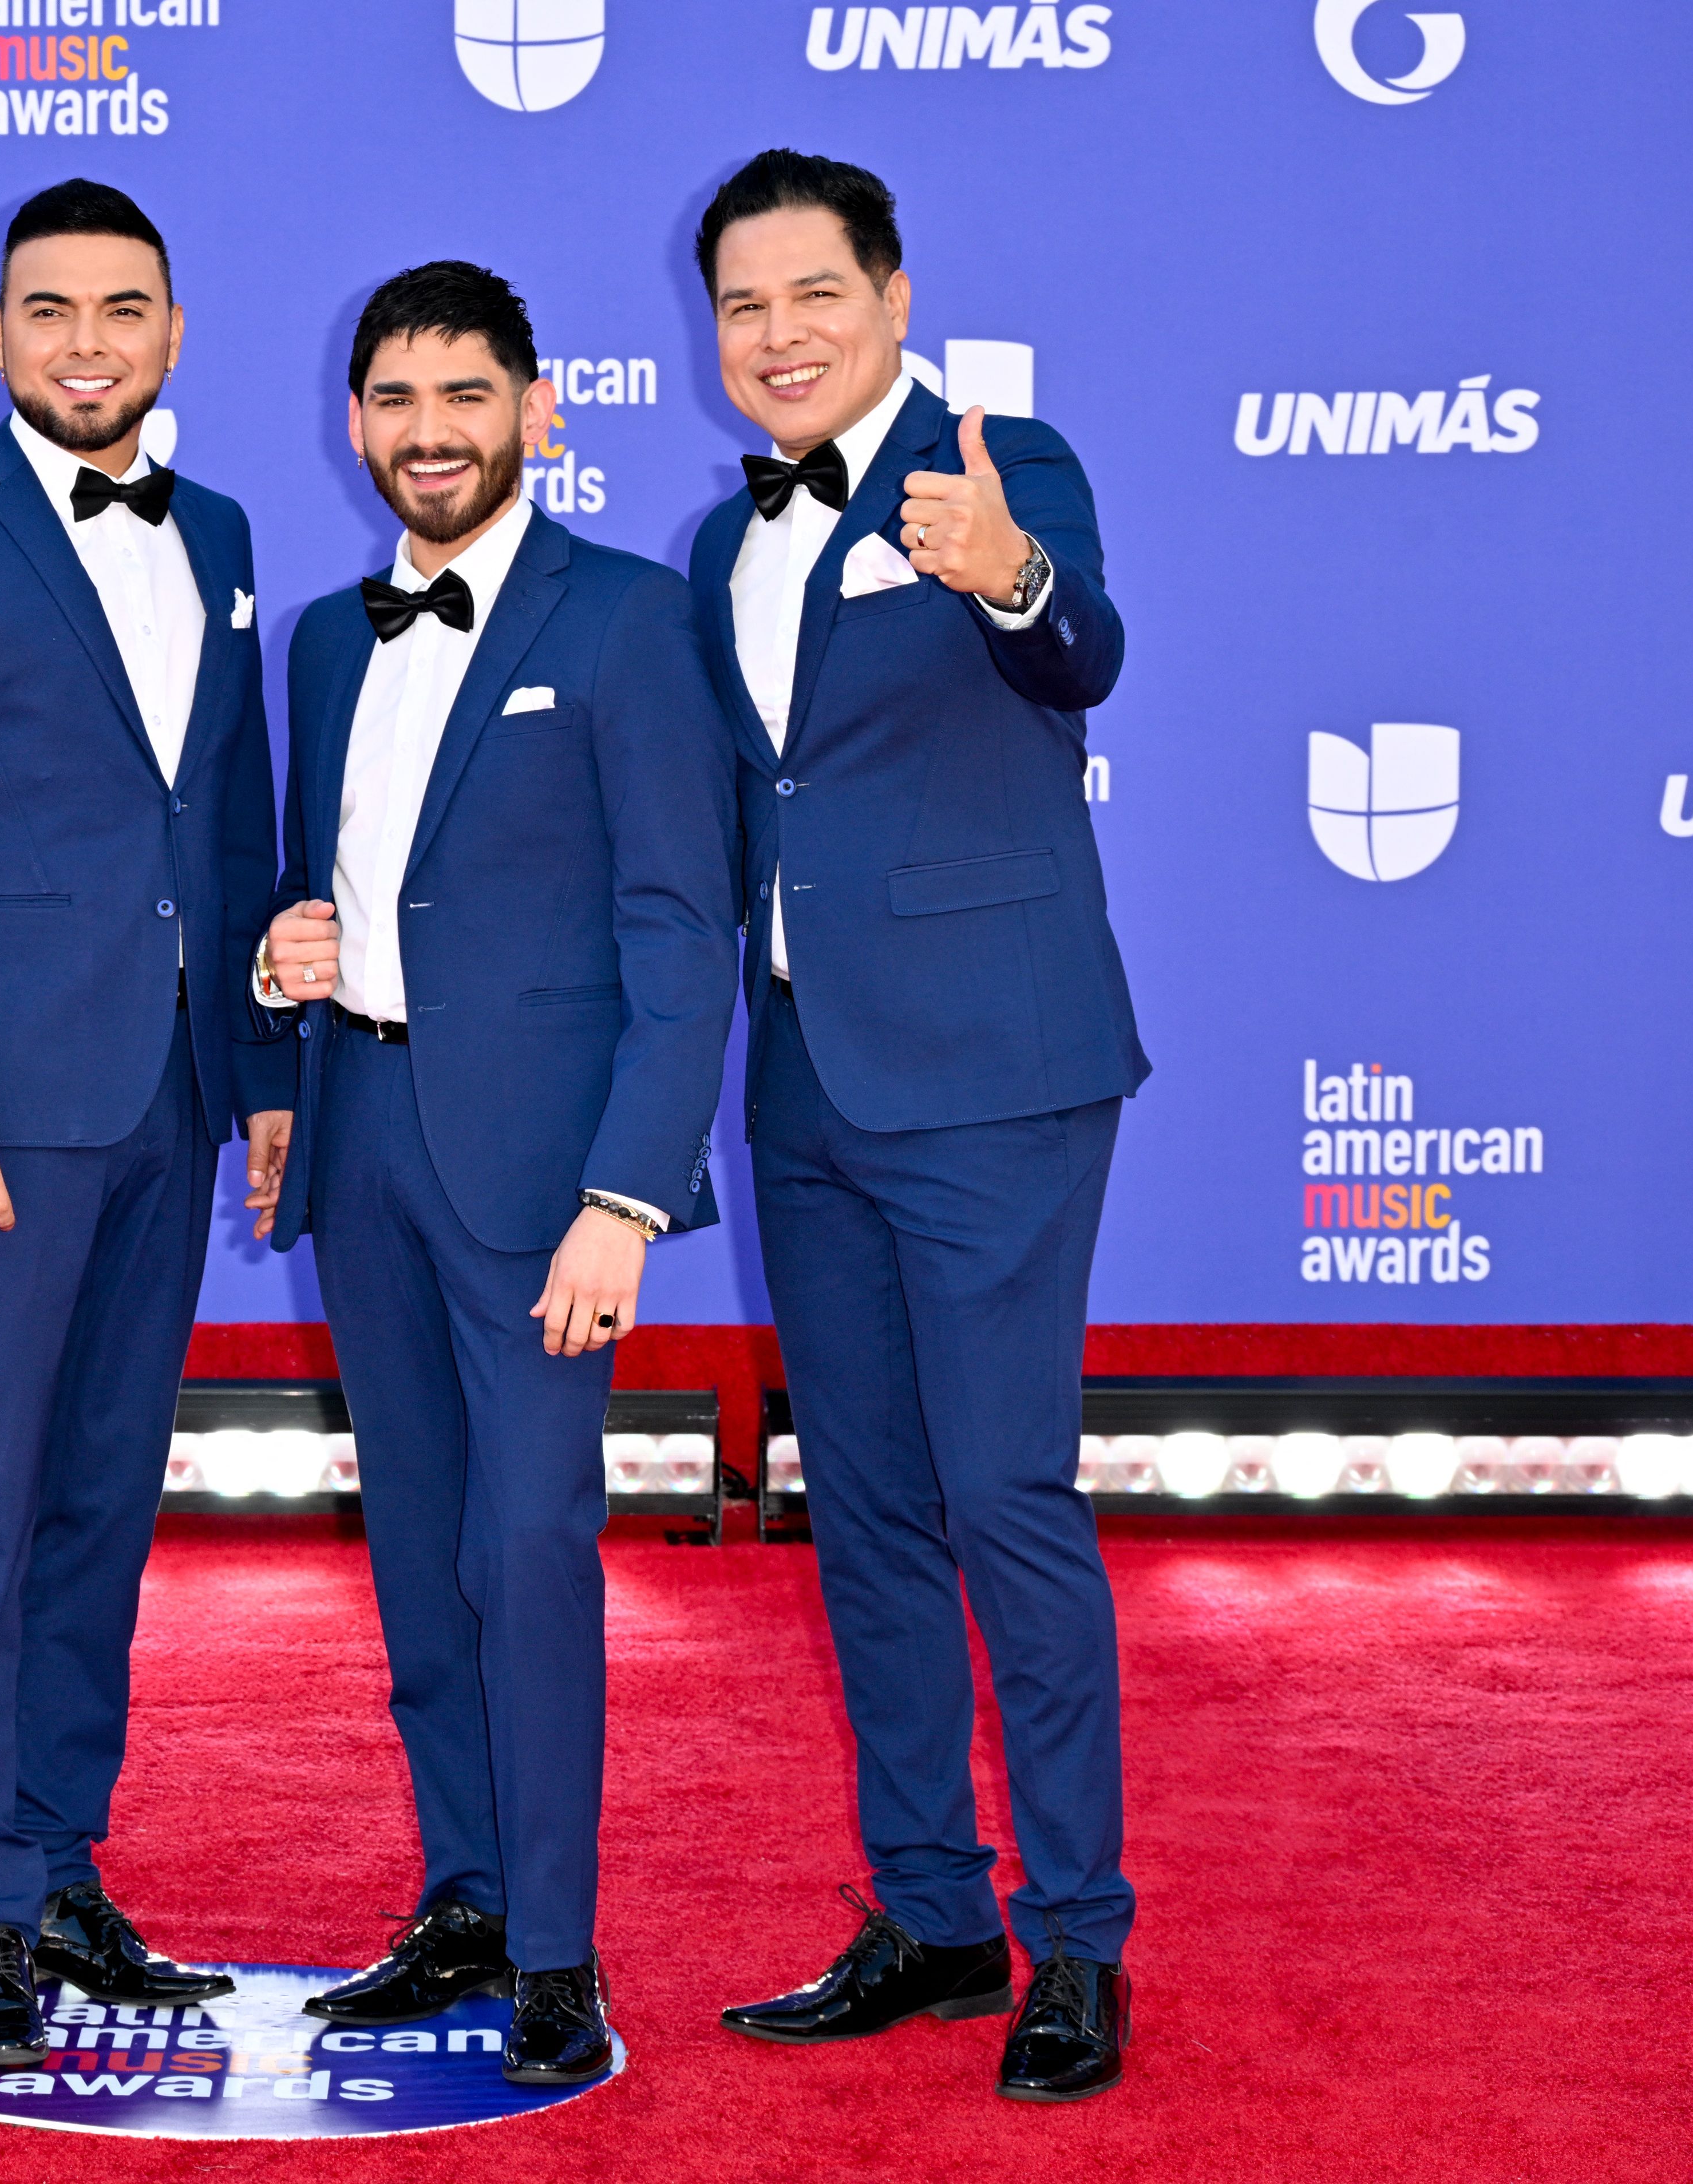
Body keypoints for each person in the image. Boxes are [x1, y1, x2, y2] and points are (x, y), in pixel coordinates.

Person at [246, 263, 741, 2087]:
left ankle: (552, 1941)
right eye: (393, 398)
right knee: (419, 1549)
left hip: (543, 1179)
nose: (427, 432)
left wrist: (626, 1198)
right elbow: (332, 887)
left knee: (529, 1549)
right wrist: (283, 969)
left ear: (537, 408)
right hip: (364, 1144)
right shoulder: (317, 631)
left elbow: (682, 934)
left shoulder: (627, 620)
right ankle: (459, 1894)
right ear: (351, 418)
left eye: (465, 395)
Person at [680, 149, 1142, 2102]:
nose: (777, 335)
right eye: (741, 305)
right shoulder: (721, 550)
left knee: (1003, 1503)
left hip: (992, 1076)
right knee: (859, 1519)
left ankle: (1076, 1946)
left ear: (888, 295)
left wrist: (1005, 570)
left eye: (811, 294)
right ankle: (934, 1915)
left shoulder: (998, 461)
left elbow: (1081, 651)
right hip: (805, 1086)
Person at [0, 178, 289, 2066]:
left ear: (173, 333)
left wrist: (257, 1088)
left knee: (101, 1507)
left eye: (121, 309)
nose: (84, 342)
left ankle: (64, 1861)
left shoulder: (229, 532)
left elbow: (231, 833)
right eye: (46, 311)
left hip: (168, 1106)